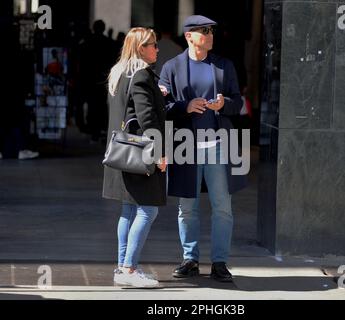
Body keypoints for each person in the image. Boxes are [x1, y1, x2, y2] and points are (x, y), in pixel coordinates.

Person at [159, 15, 247, 282]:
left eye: (211, 31)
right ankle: (190, 259)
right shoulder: (172, 67)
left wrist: (224, 104)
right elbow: (161, 108)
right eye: (203, 31)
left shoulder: (223, 66)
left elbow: (238, 102)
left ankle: (220, 262)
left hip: (219, 145)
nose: (209, 35)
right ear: (189, 36)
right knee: (187, 207)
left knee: (223, 207)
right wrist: (184, 106)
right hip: (186, 147)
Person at [103, 27, 167, 287]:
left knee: (128, 210)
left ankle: (122, 267)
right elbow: (146, 118)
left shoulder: (119, 73)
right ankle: (129, 269)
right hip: (140, 154)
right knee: (148, 210)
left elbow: (129, 109)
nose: (157, 48)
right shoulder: (141, 74)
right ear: (141, 48)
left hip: (122, 152)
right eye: (152, 44)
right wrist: (159, 153)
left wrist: (157, 95)